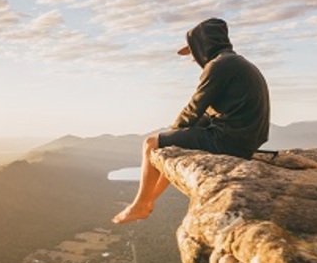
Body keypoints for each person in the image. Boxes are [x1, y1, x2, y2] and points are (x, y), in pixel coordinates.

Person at [113, 17, 270, 224]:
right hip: (246, 140)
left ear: (203, 46)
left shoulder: (218, 66)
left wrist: (170, 133)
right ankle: (149, 200)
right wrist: (177, 134)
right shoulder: (236, 63)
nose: (192, 59)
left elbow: (195, 107)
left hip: (229, 141)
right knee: (176, 139)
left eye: (193, 52)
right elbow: (209, 113)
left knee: (151, 143)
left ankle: (140, 204)